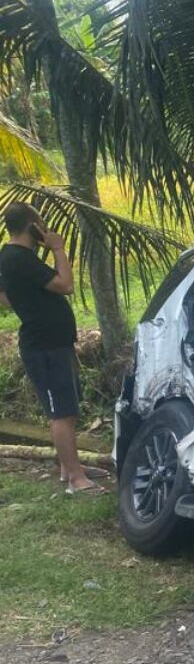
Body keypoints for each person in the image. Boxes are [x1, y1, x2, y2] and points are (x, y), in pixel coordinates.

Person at [0, 202, 99, 493]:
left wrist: (29, 302)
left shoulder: (11, 257)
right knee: (61, 413)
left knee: (66, 410)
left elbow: (4, 296)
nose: (44, 228)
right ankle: (76, 480)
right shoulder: (19, 258)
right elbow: (66, 284)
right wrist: (57, 248)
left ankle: (71, 468)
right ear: (32, 225)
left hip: (49, 343)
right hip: (45, 345)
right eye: (40, 223)